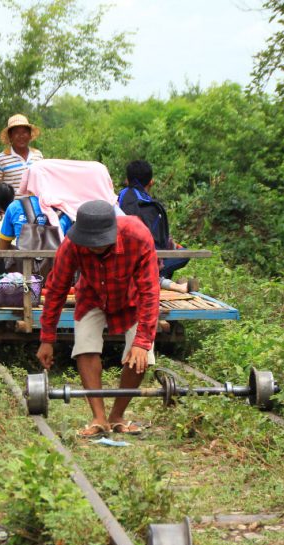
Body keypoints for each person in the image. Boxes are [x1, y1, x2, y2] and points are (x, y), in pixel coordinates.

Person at [37, 200, 160, 437]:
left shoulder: (138, 236)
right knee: (85, 346)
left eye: (99, 242)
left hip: (132, 298)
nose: (92, 247)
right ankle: (99, 418)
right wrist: (47, 338)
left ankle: (117, 416)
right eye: (88, 242)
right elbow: (56, 290)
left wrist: (142, 343)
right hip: (91, 296)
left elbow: (150, 292)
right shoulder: (72, 245)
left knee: (141, 355)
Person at [117, 160, 195, 294]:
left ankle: (161, 278)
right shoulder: (151, 206)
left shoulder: (118, 198)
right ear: (151, 182)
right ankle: (158, 278)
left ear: (127, 180)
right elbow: (156, 242)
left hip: (119, 259)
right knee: (185, 254)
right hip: (143, 260)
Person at [0, 114, 43, 195]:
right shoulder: (0, 159)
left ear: (29, 135)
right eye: (16, 132)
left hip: (35, 206)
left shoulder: (38, 155)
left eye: (24, 132)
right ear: (10, 136)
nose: (21, 136)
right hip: (12, 207)